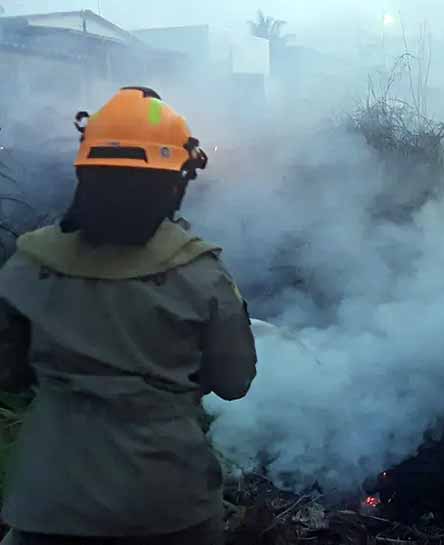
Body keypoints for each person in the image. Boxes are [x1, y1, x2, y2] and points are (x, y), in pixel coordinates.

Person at [0, 87, 257, 545]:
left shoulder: (27, 263)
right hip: (170, 506)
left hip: (52, 504)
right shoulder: (200, 273)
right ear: (175, 182)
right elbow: (234, 382)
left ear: (85, 172)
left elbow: (9, 374)